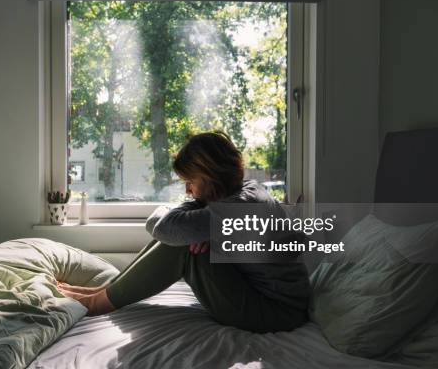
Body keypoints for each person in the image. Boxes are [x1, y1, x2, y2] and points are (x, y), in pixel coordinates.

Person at [59, 131, 310, 333]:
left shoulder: (240, 206)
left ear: (211, 176)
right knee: (184, 237)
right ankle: (103, 293)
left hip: (275, 311)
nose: (188, 191)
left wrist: (190, 228)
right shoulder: (241, 192)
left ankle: (97, 303)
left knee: (185, 249)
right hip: (264, 296)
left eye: (191, 181)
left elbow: (163, 228)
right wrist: (201, 233)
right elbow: (170, 225)